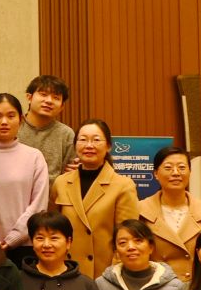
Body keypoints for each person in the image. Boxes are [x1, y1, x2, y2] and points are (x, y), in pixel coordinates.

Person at [50, 119, 140, 278]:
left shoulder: (123, 186)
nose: (89, 145)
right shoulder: (61, 182)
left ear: (108, 146)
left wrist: (115, 274)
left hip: (103, 273)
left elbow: (127, 236)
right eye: (83, 140)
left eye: (96, 140)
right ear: (75, 145)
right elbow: (53, 229)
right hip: (66, 270)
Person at [136, 146, 201, 284]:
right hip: (154, 287)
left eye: (181, 167)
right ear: (156, 173)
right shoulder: (141, 210)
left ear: (190, 172)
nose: (176, 173)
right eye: (168, 168)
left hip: (197, 286)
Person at [0, 93, 50, 253]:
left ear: (20, 120)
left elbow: (38, 205)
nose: (4, 122)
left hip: (25, 245)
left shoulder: (34, 156)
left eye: (11, 116)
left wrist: (14, 238)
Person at [20, 75, 77, 176]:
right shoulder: (12, 126)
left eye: (56, 98)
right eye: (43, 94)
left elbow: (70, 175)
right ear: (29, 97)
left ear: (62, 106)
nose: (49, 101)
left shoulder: (66, 134)